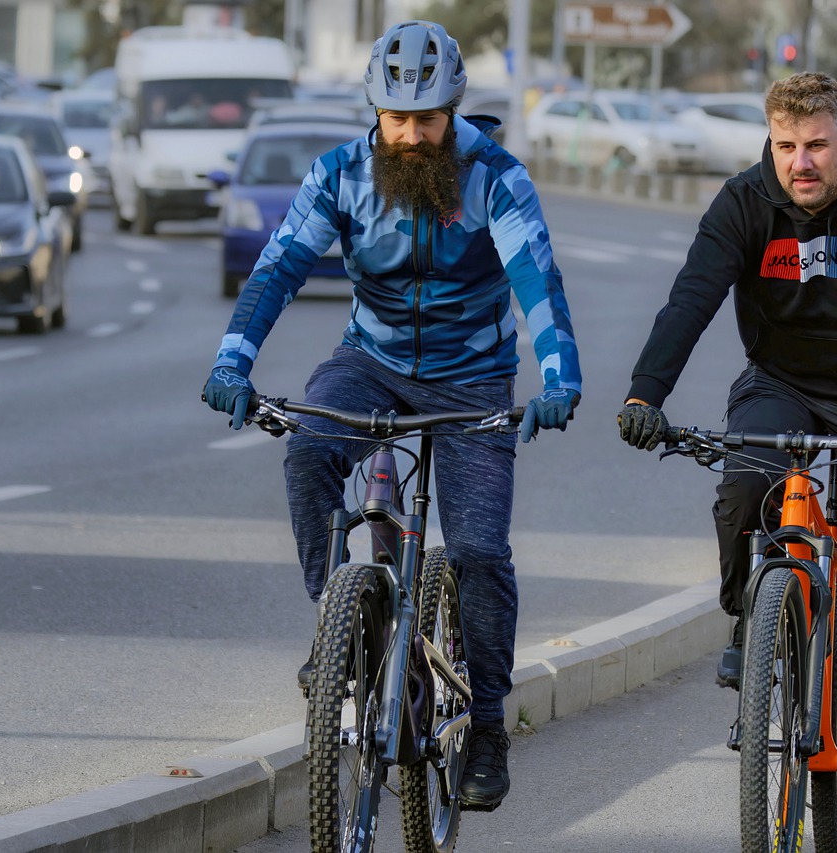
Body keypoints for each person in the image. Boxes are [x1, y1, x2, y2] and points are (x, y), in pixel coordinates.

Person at [201, 19, 581, 811]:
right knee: (308, 453)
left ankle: (485, 728)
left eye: (430, 119)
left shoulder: (494, 177)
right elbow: (279, 270)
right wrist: (233, 358)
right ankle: (333, 624)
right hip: (368, 361)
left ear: (454, 112)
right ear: (375, 110)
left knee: (477, 550)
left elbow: (536, 283)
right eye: (398, 118)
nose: (412, 136)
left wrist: (558, 374)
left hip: (473, 378)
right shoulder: (339, 174)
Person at [616, 71, 837, 846]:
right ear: (770, 143)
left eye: (817, 145)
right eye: (785, 146)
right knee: (740, 489)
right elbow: (691, 297)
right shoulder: (746, 201)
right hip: (780, 383)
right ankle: (751, 621)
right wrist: (645, 394)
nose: (800, 162)